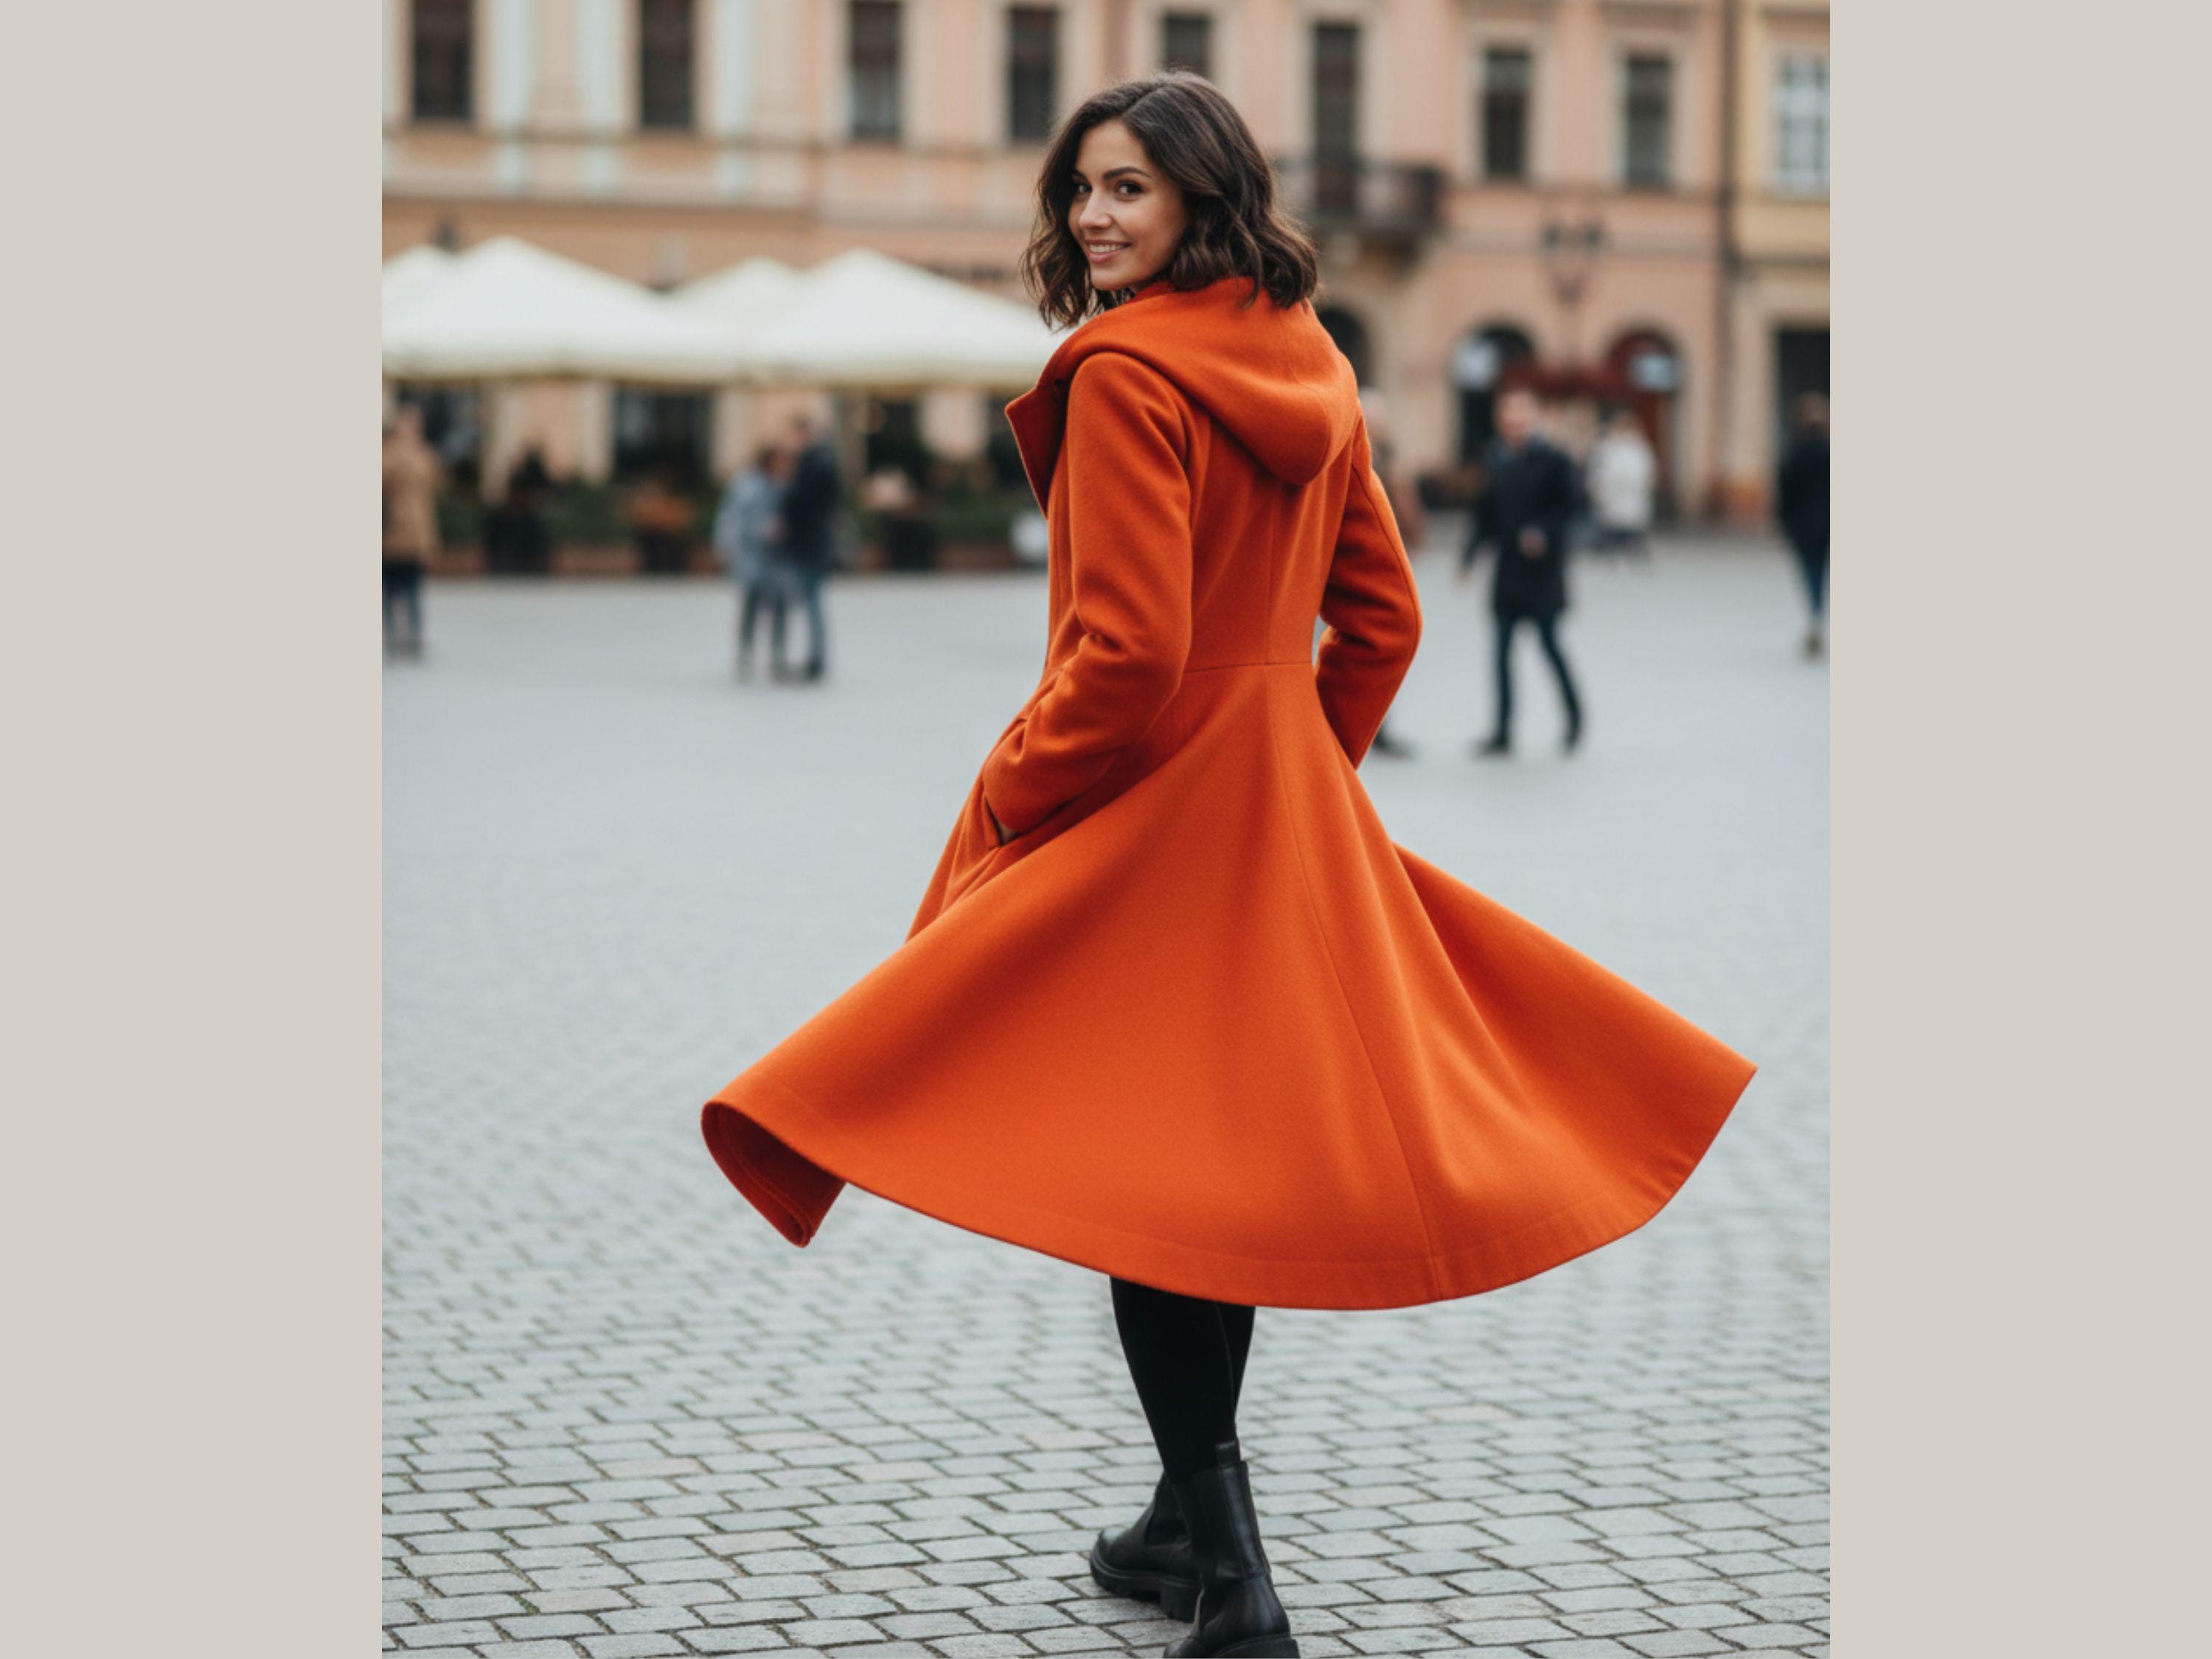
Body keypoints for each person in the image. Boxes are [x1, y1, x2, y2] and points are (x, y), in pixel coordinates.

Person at [697, 70, 1754, 1659]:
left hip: (1150, 817)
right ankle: (1185, 1527)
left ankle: (1239, 1582)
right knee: (1193, 1170)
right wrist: (1293, 777)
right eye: (1081, 188)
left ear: (1203, 195)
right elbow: (1384, 620)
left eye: (1127, 188)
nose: (1092, 216)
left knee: (1151, 1188)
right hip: (1262, 813)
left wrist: (1010, 788)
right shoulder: (1312, 361)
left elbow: (1125, 656)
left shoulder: (1121, 375)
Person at [1458, 386, 1585, 755]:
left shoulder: (1554, 459)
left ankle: (1574, 720)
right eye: (1508, 417)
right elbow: (1485, 514)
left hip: (1542, 574)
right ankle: (1502, 732)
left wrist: (1543, 531)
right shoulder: (1496, 458)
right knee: (1500, 653)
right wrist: (1469, 557)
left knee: (1550, 647)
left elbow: (1573, 505)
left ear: (1533, 419)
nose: (1514, 424)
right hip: (1508, 574)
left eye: (1520, 417)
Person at [714, 442, 797, 680]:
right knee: (751, 606)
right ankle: (746, 653)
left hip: (779, 559)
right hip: (753, 556)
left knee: (780, 607)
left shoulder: (785, 484)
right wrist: (729, 547)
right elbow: (732, 518)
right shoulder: (747, 485)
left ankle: (777, 655)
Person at [776, 411, 841, 681]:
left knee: (809, 602)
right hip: (817, 541)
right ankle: (816, 656)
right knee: (812, 602)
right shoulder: (825, 462)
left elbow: (801, 502)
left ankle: (814, 658)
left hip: (807, 543)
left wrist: (785, 514)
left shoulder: (809, 463)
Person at [381, 406, 442, 658]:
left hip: (407, 532)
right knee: (395, 588)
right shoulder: (417, 456)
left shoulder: (407, 455)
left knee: (409, 587)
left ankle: (408, 636)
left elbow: (435, 482)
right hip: (393, 531)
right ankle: (400, 636)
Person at [1776, 392, 1830, 658]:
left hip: (1804, 528)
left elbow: (1785, 495)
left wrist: (1784, 525)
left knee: (1811, 574)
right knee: (1825, 573)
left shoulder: (1794, 456)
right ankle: (1819, 616)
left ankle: (1815, 615)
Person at [1586, 407, 1657, 559]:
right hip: (1613, 495)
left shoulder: (1638, 447)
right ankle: (1612, 549)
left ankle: (1633, 549)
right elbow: (1600, 470)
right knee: (1613, 526)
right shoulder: (1608, 446)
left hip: (1631, 495)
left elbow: (1645, 471)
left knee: (1630, 526)